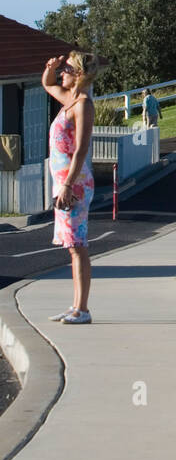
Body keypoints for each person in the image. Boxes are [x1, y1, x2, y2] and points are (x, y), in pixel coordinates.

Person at [42, 51, 101, 325]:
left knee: (78, 245)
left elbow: (80, 150)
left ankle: (83, 309)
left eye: (66, 69)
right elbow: (47, 84)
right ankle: (76, 306)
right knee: (72, 246)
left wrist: (67, 184)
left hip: (73, 184)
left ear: (78, 74)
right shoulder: (70, 100)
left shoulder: (83, 105)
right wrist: (50, 68)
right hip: (66, 183)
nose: (62, 73)